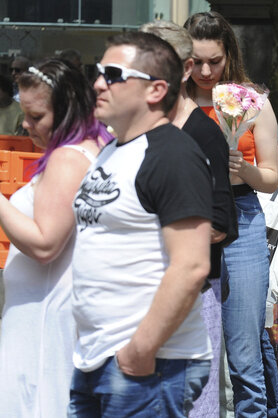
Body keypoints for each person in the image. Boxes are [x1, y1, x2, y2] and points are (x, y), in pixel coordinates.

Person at [69, 31, 213, 416]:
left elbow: (192, 265)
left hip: (149, 364)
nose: (98, 83)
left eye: (114, 74)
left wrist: (140, 350)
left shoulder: (172, 155)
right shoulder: (112, 151)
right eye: (98, 72)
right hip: (96, 358)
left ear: (156, 90)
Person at [184, 11, 278, 417]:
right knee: (191, 348)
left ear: (230, 55)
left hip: (242, 215)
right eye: (196, 61)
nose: (206, 71)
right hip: (188, 221)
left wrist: (244, 170)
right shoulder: (173, 101)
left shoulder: (251, 102)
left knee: (244, 352)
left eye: (215, 61)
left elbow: (274, 176)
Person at [0, 59, 109, 417]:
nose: (26, 124)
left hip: (43, 317)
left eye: (36, 116)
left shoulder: (67, 158)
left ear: (65, 111)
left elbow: (45, 243)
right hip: (47, 309)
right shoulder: (95, 144)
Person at [139, 20, 236, 418]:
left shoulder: (203, 134)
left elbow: (220, 222)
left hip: (193, 292)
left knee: (191, 404)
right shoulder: (129, 131)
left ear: (184, 69)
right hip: (137, 287)